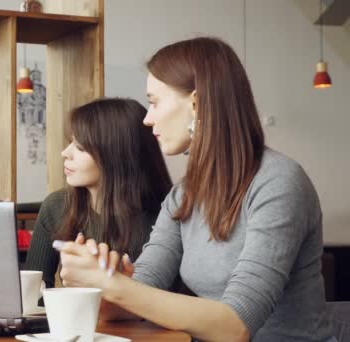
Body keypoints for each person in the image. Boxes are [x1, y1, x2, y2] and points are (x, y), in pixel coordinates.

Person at [56, 37, 334, 342]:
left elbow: (235, 325)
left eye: (154, 101)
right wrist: (97, 279)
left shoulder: (278, 182)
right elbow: (140, 294)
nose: (148, 119)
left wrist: (117, 287)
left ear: (196, 103)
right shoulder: (182, 196)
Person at [24, 97, 172, 289]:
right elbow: (34, 295)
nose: (65, 153)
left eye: (80, 147)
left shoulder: (166, 218)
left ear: (116, 156)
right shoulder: (56, 206)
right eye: (71, 142)